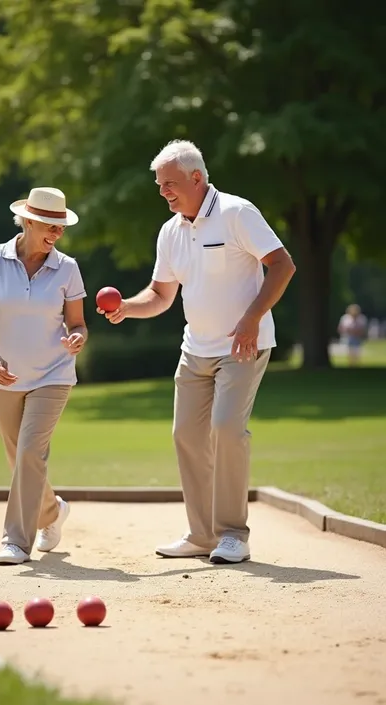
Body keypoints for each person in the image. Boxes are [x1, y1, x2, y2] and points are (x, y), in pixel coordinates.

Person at [98, 140, 296, 564]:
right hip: (195, 349)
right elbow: (160, 294)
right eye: (159, 185)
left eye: (169, 183)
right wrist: (126, 309)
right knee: (186, 435)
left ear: (196, 178)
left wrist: (252, 317)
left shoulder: (236, 213)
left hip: (242, 344)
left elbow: (283, 264)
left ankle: (233, 535)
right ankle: (202, 534)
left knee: (226, 429)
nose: (163, 191)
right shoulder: (170, 231)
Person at [0, 187, 88, 565]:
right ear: (29, 221)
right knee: (19, 458)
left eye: (61, 227)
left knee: (30, 451)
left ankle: (16, 541)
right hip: (2, 375)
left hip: (53, 375)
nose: (56, 233)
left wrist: (76, 338)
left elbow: (79, 324)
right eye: (50, 225)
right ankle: (51, 512)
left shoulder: (67, 267)